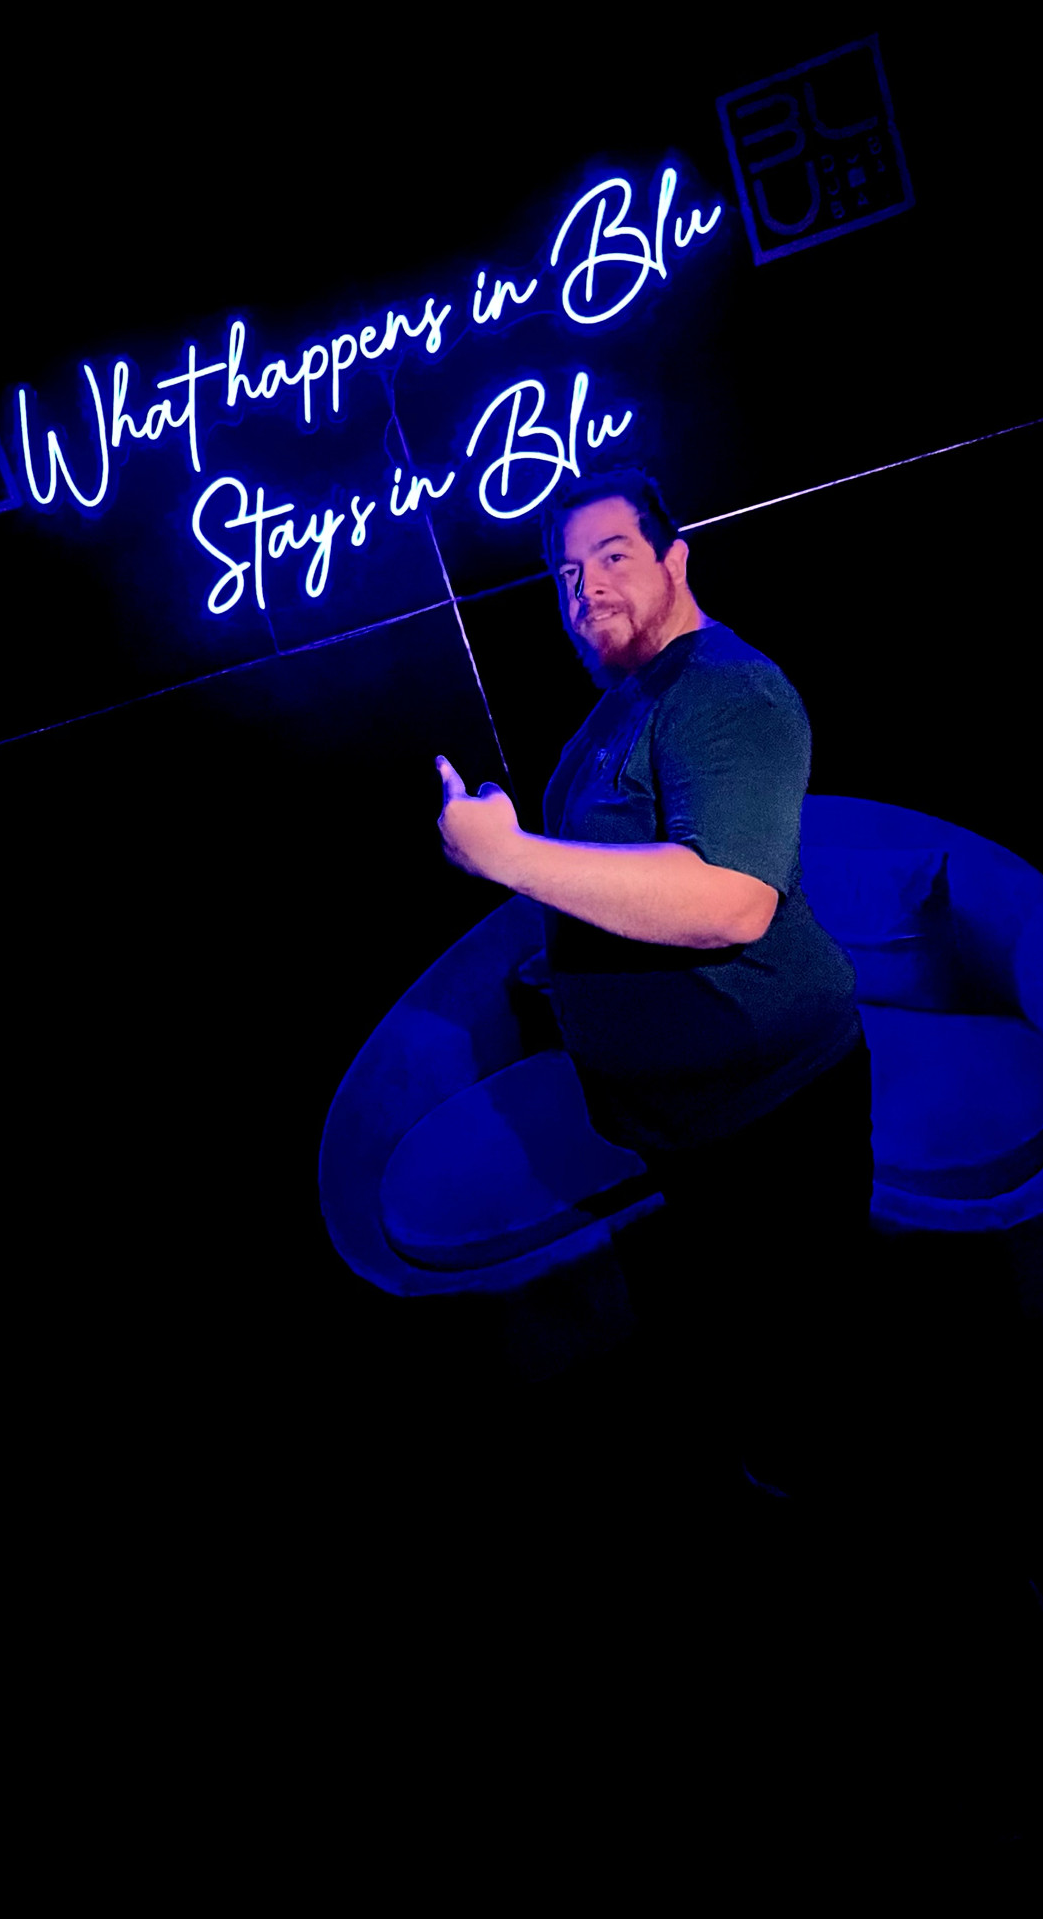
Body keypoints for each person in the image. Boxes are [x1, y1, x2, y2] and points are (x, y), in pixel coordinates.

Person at [434, 466, 873, 1512]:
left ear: (677, 559)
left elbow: (731, 901)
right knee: (758, 1343)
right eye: (565, 573)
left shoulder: (721, 690)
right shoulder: (623, 709)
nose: (585, 586)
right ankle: (785, 1470)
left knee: (818, 1361)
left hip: (775, 1110)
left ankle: (872, 1528)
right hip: (695, 1121)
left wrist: (507, 857)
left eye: (613, 555)